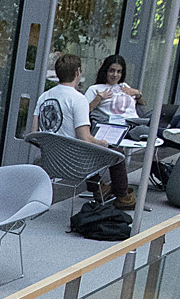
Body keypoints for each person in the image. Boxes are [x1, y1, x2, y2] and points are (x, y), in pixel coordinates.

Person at [35, 53, 125, 207]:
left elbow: (35, 132)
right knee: (118, 153)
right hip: (74, 165)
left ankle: (101, 189)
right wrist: (103, 142)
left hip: (49, 161)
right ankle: (122, 198)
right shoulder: (78, 99)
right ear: (77, 72)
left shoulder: (43, 97)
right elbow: (85, 138)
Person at [82, 54, 143, 209]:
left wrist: (137, 93)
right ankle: (122, 194)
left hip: (133, 123)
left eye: (119, 72)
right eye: (112, 71)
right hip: (110, 128)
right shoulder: (95, 89)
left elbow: (140, 104)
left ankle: (170, 131)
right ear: (105, 71)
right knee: (117, 150)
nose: (115, 75)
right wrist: (98, 100)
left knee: (156, 127)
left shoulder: (124, 86)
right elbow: (82, 112)